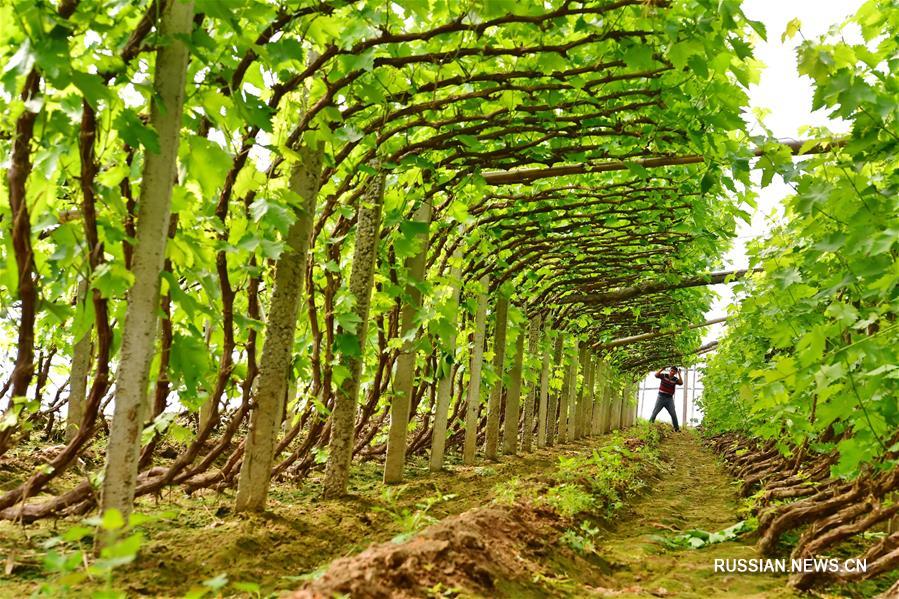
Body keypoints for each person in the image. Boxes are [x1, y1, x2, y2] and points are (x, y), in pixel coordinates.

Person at [649, 366, 683, 431]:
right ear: (669, 371)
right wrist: (662, 369)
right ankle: (649, 427)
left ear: (675, 373)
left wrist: (679, 374)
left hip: (669, 399)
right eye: (671, 370)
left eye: (674, 371)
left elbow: (681, 383)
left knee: (673, 414)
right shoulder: (664, 375)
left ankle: (676, 428)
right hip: (661, 397)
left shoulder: (675, 379)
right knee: (655, 412)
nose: (672, 372)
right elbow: (656, 375)